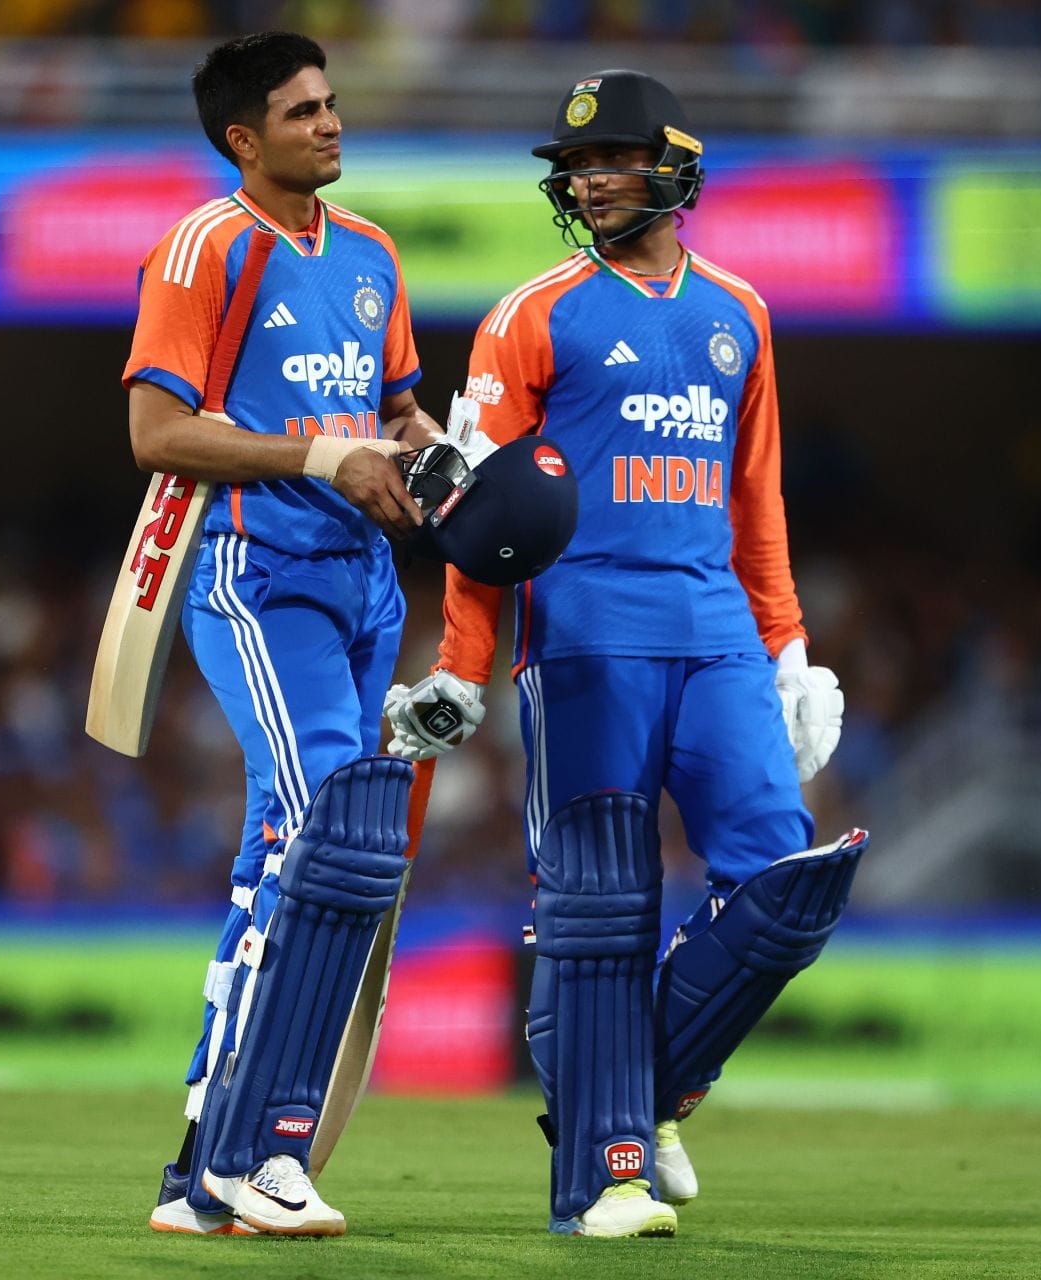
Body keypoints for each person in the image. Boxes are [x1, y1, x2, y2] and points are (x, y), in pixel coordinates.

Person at [385, 70, 864, 1238]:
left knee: (786, 884)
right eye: (577, 166)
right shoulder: (529, 315)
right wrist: (461, 665)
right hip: (584, 640)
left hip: (719, 638)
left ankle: (649, 1091)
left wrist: (790, 649)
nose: (591, 181)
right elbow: (476, 517)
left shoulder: (740, 313)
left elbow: (756, 501)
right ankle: (608, 1177)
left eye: (613, 159)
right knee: (601, 905)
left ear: (673, 167)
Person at [121, 31, 440, 1239]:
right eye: (303, 112)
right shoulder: (204, 246)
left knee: (285, 856)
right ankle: (265, 1151)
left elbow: (394, 405)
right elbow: (156, 433)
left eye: (333, 103)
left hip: (368, 583)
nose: (331, 123)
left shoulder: (371, 253)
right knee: (329, 839)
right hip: (260, 573)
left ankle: (202, 1165)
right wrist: (321, 456)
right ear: (243, 138)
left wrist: (433, 451)